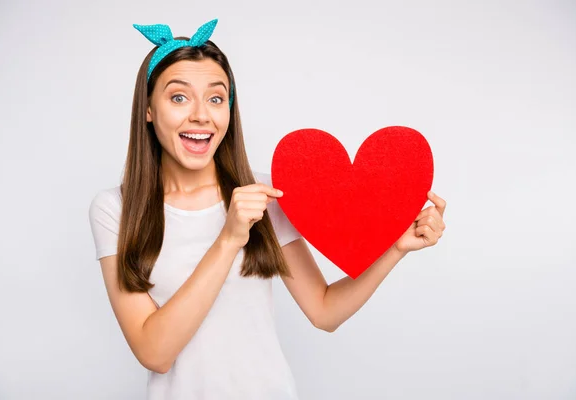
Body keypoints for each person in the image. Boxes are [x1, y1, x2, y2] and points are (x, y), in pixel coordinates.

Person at [88, 19, 447, 400]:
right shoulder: (115, 210)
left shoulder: (264, 195)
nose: (200, 115)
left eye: (215, 98)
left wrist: (395, 248)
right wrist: (228, 240)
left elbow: (324, 311)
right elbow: (154, 352)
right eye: (179, 97)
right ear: (147, 109)